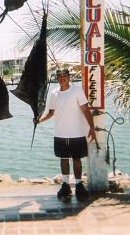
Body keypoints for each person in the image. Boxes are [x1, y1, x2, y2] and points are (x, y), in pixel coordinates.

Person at [37, 68, 96, 201]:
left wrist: (92, 128)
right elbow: (51, 112)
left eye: (64, 76)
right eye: (59, 76)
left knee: (76, 159)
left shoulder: (77, 91)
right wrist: (39, 120)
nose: (62, 78)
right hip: (60, 133)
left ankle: (79, 184)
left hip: (77, 133)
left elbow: (86, 110)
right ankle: (65, 185)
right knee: (63, 159)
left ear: (69, 77)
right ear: (57, 78)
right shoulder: (54, 93)